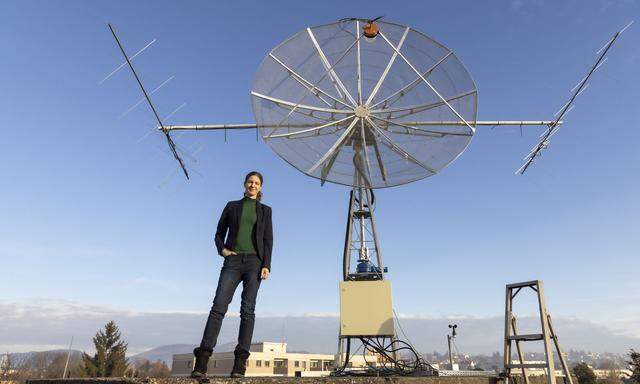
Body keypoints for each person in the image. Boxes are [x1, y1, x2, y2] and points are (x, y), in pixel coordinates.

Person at [191, 171, 273, 378]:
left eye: (256, 183)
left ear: (261, 187)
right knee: (218, 307)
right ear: (245, 184)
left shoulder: (265, 210)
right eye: (250, 182)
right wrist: (223, 250)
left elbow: (268, 240)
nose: (253, 185)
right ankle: (202, 361)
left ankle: (239, 364)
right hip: (233, 261)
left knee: (248, 311)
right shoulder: (232, 206)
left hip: (255, 263)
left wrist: (267, 265)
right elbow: (219, 232)